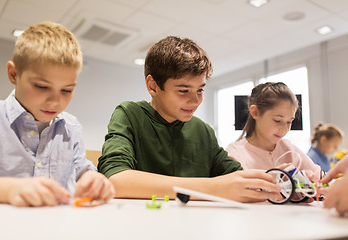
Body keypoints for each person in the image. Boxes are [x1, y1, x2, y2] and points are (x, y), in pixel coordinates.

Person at [98, 36, 280, 202]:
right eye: (183, 90)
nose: (195, 100)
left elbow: (238, 178)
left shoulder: (203, 131)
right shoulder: (129, 115)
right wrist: (214, 188)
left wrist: (279, 182)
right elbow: (116, 179)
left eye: (200, 90)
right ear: (153, 86)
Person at [0, 22, 115, 207]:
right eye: (41, 86)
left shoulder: (71, 127)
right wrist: (9, 189)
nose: (55, 102)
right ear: (14, 74)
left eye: (66, 90)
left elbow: (83, 171)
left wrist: (95, 181)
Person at [226, 82, 322, 181]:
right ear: (255, 112)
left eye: (289, 122)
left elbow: (319, 176)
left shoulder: (289, 150)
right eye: (277, 120)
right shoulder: (234, 155)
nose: (284, 129)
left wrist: (310, 179)